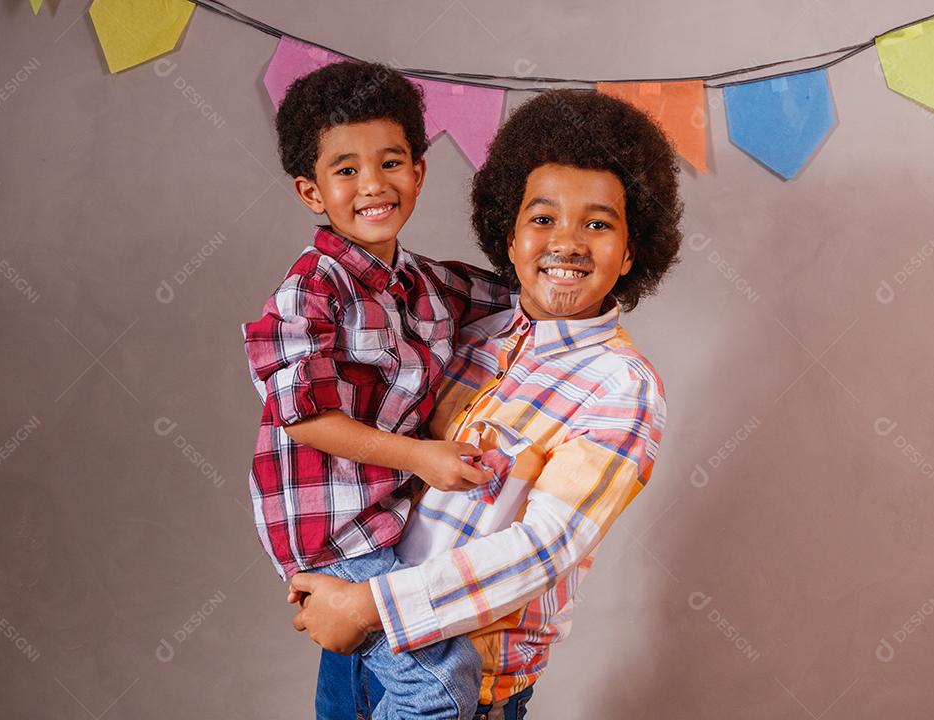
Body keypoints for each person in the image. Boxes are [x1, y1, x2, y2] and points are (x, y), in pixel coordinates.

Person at [286, 89, 684, 718]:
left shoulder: (621, 386)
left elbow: (544, 547)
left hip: (463, 688)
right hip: (357, 655)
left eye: (598, 224)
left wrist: (368, 604)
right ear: (510, 236)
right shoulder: (467, 335)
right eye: (543, 218)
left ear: (632, 250)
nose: (568, 243)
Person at [241, 60, 514, 719]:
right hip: (335, 532)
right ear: (311, 191)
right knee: (441, 685)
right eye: (346, 170)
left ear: (418, 171)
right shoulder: (312, 289)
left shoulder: (428, 284)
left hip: (389, 523)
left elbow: (519, 297)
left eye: (391, 162)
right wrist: (420, 456)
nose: (373, 184)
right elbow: (305, 417)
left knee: (380, 686)